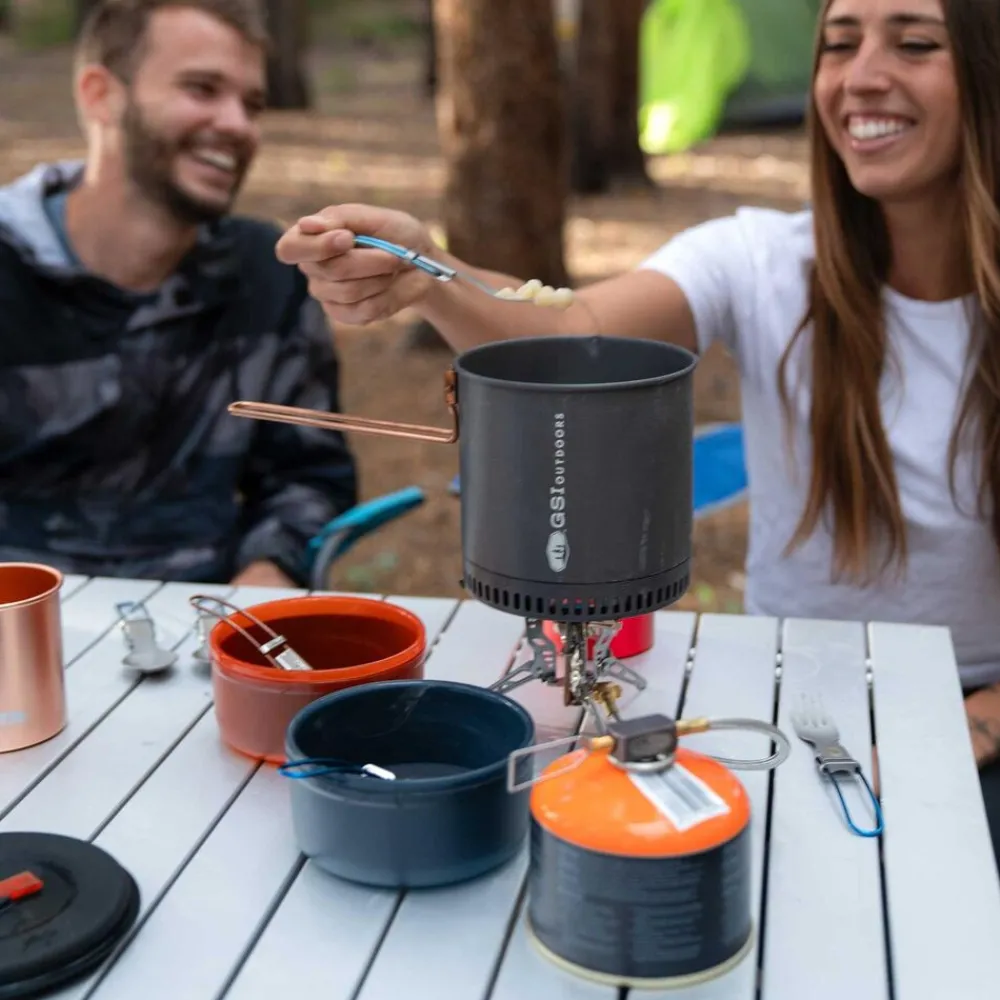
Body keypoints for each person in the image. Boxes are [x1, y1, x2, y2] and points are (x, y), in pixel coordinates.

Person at [275, 0, 1000, 863]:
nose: (862, 76)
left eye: (915, 44)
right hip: (786, 694)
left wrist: (969, 731)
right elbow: (574, 334)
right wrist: (428, 276)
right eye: (839, 45)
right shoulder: (757, 259)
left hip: (976, 707)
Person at [0, 0, 358, 589]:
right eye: (202, 89)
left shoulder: (268, 276)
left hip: (206, 616)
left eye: (252, 104)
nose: (238, 125)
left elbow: (309, 476)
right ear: (101, 96)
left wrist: (267, 574)